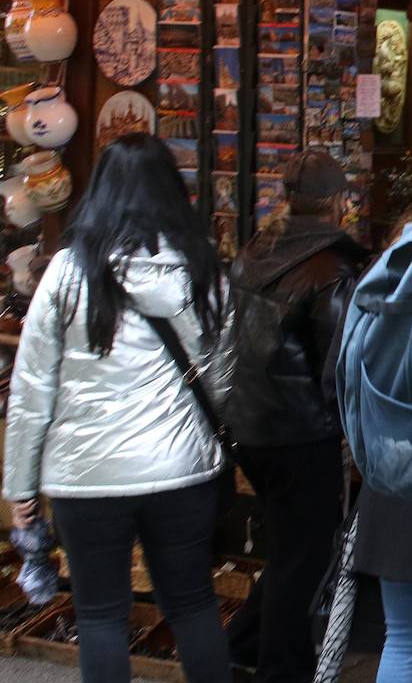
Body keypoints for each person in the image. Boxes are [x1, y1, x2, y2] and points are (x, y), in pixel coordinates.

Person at [3, 133, 236, 683]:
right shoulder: (202, 269)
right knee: (193, 606)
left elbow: (31, 389)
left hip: (85, 477)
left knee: (101, 616)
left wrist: (21, 488)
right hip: (180, 469)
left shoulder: (66, 272)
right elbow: (224, 377)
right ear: (172, 191)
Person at [224, 150, 366, 683]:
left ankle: (241, 643)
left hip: (250, 426)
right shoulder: (332, 267)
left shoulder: (254, 250)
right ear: (338, 202)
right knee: (302, 558)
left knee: (289, 547)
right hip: (301, 432)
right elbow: (339, 367)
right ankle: (279, 669)